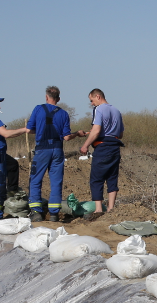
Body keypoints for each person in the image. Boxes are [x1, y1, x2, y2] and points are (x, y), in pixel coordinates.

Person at [24, 86, 79, 223]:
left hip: (42, 149)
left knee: (36, 180)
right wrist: (78, 134)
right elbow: (66, 137)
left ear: (46, 97)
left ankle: (36, 212)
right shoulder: (64, 114)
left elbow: (29, 129)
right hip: (57, 150)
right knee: (56, 182)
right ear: (58, 99)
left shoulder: (38, 109)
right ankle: (54, 214)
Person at [78, 88, 124, 220]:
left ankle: (98, 210)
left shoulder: (99, 109)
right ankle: (111, 209)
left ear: (98, 96)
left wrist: (85, 145)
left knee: (96, 178)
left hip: (102, 148)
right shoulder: (116, 111)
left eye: (91, 100)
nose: (92, 104)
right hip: (115, 148)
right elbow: (120, 134)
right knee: (112, 177)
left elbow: (97, 130)